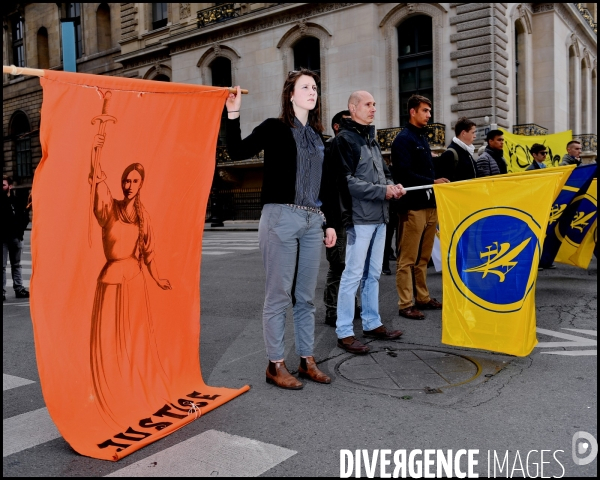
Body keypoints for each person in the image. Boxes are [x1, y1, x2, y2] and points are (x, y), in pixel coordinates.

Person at [225, 69, 337, 389]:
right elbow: (238, 151)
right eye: (305, 87)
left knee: (305, 297)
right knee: (278, 296)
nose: (312, 91)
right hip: (281, 217)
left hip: (312, 220)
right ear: (290, 94)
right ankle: (275, 365)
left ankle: (306, 359)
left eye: (315, 87)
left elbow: (323, 183)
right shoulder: (274, 128)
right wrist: (233, 113)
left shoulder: (317, 137)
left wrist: (326, 220)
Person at [87, 142, 173, 423]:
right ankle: (113, 388)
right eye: (126, 179)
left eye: (135, 180)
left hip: (135, 280)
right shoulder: (109, 209)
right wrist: (96, 150)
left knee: (134, 338)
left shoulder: (143, 217)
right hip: (110, 280)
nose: (129, 184)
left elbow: (149, 253)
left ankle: (135, 384)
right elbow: (98, 184)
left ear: (141, 183)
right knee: (110, 337)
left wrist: (158, 277)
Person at [332, 90, 405, 355]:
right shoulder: (344, 141)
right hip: (359, 219)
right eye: (368, 104)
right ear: (353, 108)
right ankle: (344, 332)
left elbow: (384, 174)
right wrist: (382, 191)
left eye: (375, 104)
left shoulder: (372, 141)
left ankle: (372, 323)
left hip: (380, 216)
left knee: (373, 274)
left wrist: (391, 186)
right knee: (352, 275)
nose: (374, 108)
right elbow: (346, 182)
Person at [391, 95, 449, 321]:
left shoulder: (422, 138)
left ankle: (422, 298)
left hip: (429, 205)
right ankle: (405, 303)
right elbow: (402, 175)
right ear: (412, 112)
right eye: (425, 110)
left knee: (424, 258)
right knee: (407, 259)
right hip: (412, 207)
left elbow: (426, 171)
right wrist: (432, 182)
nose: (429, 115)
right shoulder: (403, 140)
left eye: (430, 111)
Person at [323, 109, 354, 327]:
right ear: (336, 126)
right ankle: (332, 310)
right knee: (338, 265)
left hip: (352, 215)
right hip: (337, 216)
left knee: (352, 265)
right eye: (348, 121)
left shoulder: (351, 147)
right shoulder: (332, 148)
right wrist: (329, 222)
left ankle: (351, 305)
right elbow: (327, 188)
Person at [2, 176, 30, 301]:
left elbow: (24, 217)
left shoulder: (16, 200)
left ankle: (19, 289)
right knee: (2, 266)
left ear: (10, 186)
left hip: (16, 237)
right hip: (2, 238)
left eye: (3, 185)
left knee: (17, 265)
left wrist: (20, 232)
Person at [436, 117, 478, 182]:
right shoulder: (450, 153)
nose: (475, 136)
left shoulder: (467, 151)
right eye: (473, 133)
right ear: (463, 133)